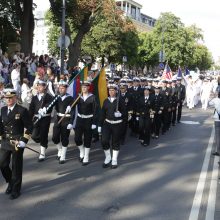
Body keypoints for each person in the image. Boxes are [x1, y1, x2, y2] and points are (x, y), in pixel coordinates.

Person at [0, 88, 32, 199]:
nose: (8, 100)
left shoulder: (21, 110)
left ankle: (16, 189)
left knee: (16, 166)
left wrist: (24, 140)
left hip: (17, 142)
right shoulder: (3, 110)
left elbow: (30, 127)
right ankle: (10, 182)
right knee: (2, 164)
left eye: (10, 97)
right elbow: (1, 126)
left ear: (15, 97)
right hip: (5, 141)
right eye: (6, 98)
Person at [99, 84, 127, 169]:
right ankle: (108, 157)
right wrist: (100, 125)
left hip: (117, 124)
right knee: (104, 141)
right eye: (109, 90)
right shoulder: (106, 101)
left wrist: (120, 114)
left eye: (113, 90)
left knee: (115, 142)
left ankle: (114, 159)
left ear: (116, 91)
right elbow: (103, 113)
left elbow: (125, 113)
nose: (111, 92)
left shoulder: (120, 100)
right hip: (107, 124)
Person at [29, 80, 54, 162]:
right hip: (36, 118)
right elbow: (31, 109)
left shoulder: (48, 97)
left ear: (44, 87)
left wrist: (45, 108)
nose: (39, 88)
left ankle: (42, 153)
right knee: (34, 135)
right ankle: (44, 142)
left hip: (45, 118)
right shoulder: (35, 97)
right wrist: (28, 120)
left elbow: (51, 104)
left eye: (41, 86)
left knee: (43, 134)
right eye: (38, 86)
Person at [74, 81, 97, 166]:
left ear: (88, 88)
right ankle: (82, 151)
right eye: (82, 87)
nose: (83, 88)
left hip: (89, 119)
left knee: (87, 139)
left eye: (85, 87)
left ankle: (86, 156)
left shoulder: (93, 97)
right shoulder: (78, 97)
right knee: (77, 138)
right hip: (80, 119)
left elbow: (95, 111)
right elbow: (73, 105)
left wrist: (94, 122)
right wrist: (70, 107)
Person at [52, 80, 75, 164]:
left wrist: (71, 122)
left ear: (66, 89)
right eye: (60, 88)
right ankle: (60, 149)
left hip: (66, 119)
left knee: (64, 138)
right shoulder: (56, 97)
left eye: (63, 88)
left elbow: (73, 111)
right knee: (55, 137)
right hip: (58, 118)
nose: (61, 90)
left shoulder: (70, 98)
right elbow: (51, 105)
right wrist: (44, 109)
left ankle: (63, 156)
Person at [209, 92, 220, 158]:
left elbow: (209, 103)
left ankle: (218, 151)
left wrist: (213, 97)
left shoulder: (216, 100)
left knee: (218, 136)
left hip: (217, 119)